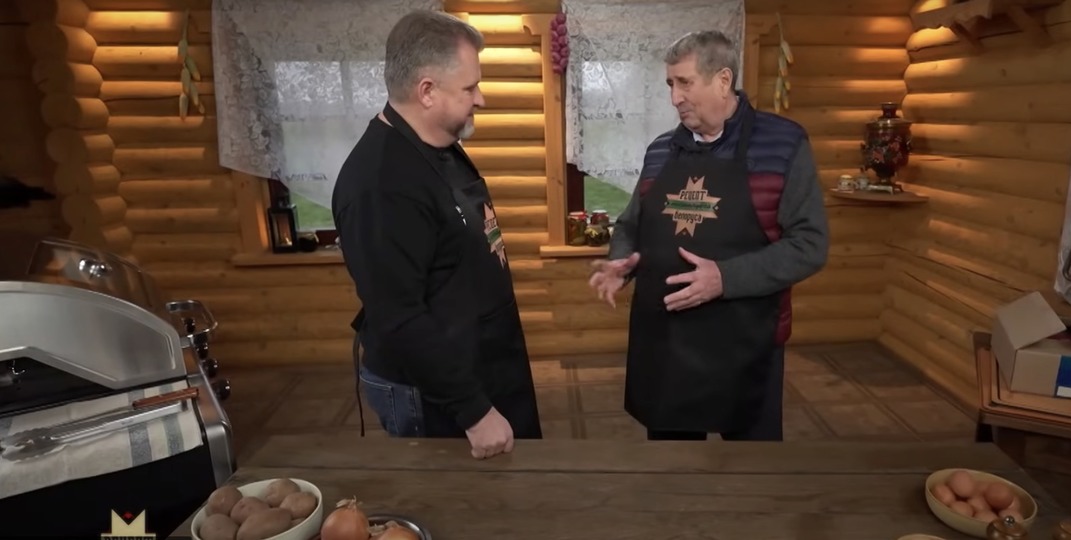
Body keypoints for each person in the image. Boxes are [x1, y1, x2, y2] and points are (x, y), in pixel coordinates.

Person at [588, 30, 829, 442]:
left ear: (723, 80)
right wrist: (621, 260)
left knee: (748, 466)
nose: (674, 97)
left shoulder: (783, 145)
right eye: (670, 84)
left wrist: (725, 278)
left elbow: (810, 245)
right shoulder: (660, 150)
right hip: (666, 347)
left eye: (685, 83)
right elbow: (630, 225)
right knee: (674, 466)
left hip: (746, 347)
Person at [332, 10, 542, 459]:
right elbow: (398, 316)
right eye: (470, 88)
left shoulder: (441, 147)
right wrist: (474, 412)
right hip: (431, 391)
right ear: (427, 91)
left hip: (483, 360)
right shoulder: (381, 185)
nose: (481, 99)